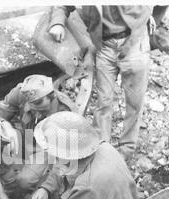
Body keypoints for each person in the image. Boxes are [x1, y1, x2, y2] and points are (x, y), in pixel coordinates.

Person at [48, 6, 152, 160]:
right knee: (104, 101)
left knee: (134, 103)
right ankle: (102, 151)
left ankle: (126, 151)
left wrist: (148, 17)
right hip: (105, 45)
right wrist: (57, 22)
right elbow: (61, 5)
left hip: (135, 42)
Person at [0, 74, 76, 199]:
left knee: (24, 181)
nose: (34, 107)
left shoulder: (67, 114)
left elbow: (65, 160)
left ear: (52, 96)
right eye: (30, 103)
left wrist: (46, 188)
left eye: (39, 102)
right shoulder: (21, 92)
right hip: (26, 137)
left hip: (49, 149)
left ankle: (12, 194)